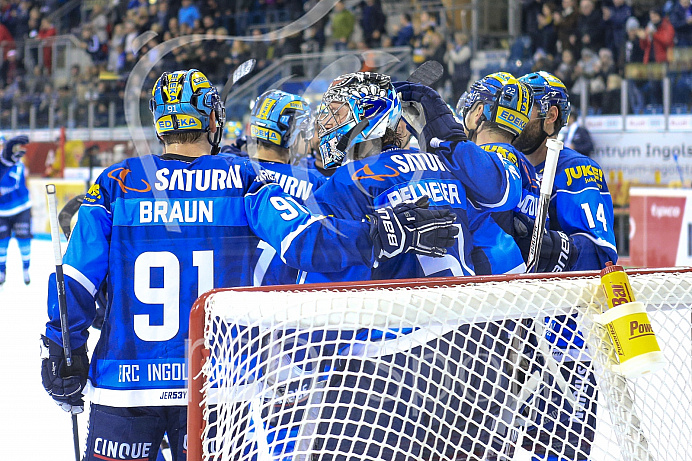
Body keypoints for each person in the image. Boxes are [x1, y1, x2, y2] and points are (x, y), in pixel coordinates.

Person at [39, 68, 458, 461]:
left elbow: (74, 279)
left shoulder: (116, 182)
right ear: (213, 120)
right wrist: (382, 232)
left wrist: (61, 351)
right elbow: (305, 241)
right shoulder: (244, 179)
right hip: (217, 390)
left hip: (124, 388)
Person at [512, 70, 617, 461]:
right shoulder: (502, 169)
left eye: (523, 108)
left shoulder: (576, 169)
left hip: (563, 348)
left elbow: (600, 254)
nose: (512, 115)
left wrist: (558, 247)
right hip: (503, 340)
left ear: (551, 114)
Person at [455, 71, 539, 275]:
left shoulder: (482, 159)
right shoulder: (524, 164)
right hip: (519, 271)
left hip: (489, 272)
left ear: (478, 112)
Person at [245, 89, 327, 285]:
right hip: (290, 292)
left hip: (238, 290)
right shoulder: (314, 181)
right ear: (294, 134)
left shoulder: (237, 172)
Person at [0, 134, 31, 286]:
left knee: (24, 239)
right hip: (1, 211)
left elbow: (12, 184)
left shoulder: (17, 163)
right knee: (2, 242)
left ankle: (26, 268)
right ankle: (1, 271)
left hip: (20, 208)